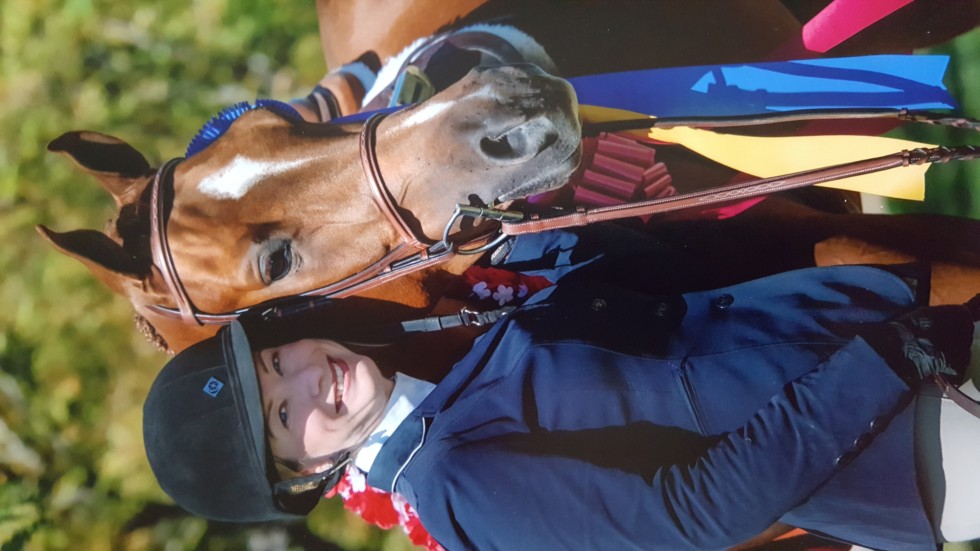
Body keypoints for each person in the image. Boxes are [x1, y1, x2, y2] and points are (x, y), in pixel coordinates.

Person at [143, 263, 980, 550]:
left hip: (886, 340)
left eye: (275, 361)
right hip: (905, 437)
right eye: (282, 416)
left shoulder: (450, 384)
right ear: (307, 474)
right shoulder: (451, 482)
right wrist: (883, 362)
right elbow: (694, 513)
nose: (306, 377)